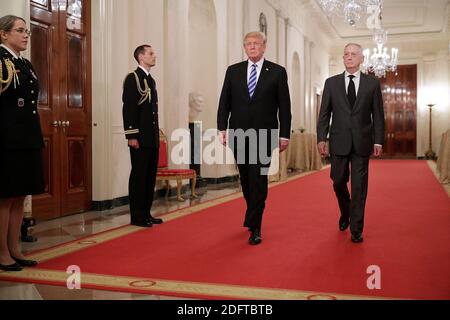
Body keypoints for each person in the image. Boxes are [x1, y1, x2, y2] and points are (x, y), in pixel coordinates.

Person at [217, 31, 291, 245]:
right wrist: (222, 128)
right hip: (238, 133)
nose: (252, 47)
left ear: (264, 46)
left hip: (265, 135)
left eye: (256, 44)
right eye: (248, 44)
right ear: (244, 47)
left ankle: (255, 226)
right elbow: (225, 102)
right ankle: (253, 212)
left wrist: (284, 134)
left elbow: (284, 107)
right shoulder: (233, 71)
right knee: (246, 179)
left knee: (258, 180)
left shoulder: (277, 72)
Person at [317, 43, 385, 243]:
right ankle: (345, 211)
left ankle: (356, 228)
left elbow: (378, 116)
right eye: (346, 54)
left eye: (353, 54)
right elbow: (324, 114)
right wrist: (322, 137)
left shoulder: (372, 84)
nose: (349, 57)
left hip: (362, 142)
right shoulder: (331, 83)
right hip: (338, 141)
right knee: (338, 181)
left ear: (362, 58)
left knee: (359, 187)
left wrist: (378, 141)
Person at [0, 15, 43, 271]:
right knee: (4, 196)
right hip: (5, 137)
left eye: (26, 31)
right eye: (20, 30)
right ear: (4, 34)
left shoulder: (25, 63)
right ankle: (2, 252)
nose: (26, 34)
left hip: (26, 135)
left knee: (20, 196)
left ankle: (15, 248)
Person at [122, 44, 163, 227]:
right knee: (139, 176)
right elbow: (129, 108)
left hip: (151, 138)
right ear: (141, 57)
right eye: (151, 53)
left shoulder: (150, 80)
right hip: (139, 138)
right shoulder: (133, 78)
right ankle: (137, 216)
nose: (155, 56)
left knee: (149, 177)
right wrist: (132, 135)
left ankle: (146, 213)